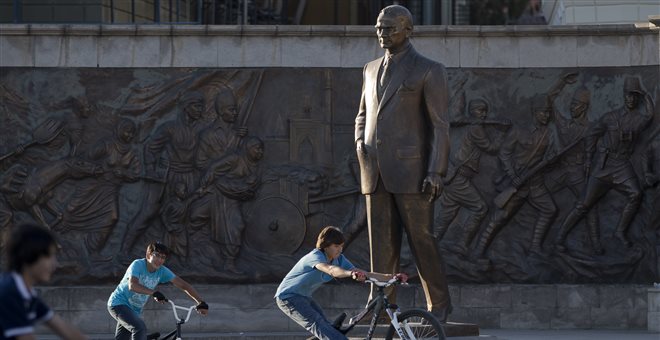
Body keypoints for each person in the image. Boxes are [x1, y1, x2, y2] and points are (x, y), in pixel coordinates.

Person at [354, 5, 452, 322]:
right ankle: (381, 306)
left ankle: (438, 306)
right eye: (379, 28)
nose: (382, 34)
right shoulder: (369, 69)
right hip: (375, 171)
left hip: (413, 172)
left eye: (389, 28)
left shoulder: (428, 69)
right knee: (380, 245)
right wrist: (360, 145)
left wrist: (436, 171)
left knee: (422, 240)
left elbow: (439, 125)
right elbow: (363, 115)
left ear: (407, 29)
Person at [555, 77, 654, 250]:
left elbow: (650, 115)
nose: (631, 99)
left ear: (638, 98)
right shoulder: (610, 117)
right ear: (623, 96)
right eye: (628, 95)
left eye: (634, 96)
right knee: (583, 205)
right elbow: (592, 135)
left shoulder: (639, 119)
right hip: (603, 165)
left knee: (636, 194)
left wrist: (646, 95)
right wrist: (588, 158)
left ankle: (620, 232)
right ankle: (559, 238)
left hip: (622, 165)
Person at [275, 226, 407, 340]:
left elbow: (365, 273)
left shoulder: (339, 259)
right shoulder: (315, 256)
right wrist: (350, 274)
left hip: (304, 297)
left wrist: (392, 276)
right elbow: (331, 270)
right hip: (288, 297)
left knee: (326, 329)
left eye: (342, 246)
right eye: (336, 246)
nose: (340, 250)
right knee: (318, 324)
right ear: (325, 246)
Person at [473, 94, 560, 259]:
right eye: (543, 112)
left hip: (535, 182)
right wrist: (512, 175)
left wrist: (551, 161)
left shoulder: (548, 134)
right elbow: (504, 153)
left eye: (549, 112)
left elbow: (550, 159)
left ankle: (535, 247)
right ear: (535, 112)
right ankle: (479, 250)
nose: (547, 116)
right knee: (500, 217)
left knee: (550, 209)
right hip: (517, 181)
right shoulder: (519, 130)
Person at [0, 224, 87, 339]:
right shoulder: (9, 292)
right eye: (49, 256)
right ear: (29, 254)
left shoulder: (26, 293)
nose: (55, 265)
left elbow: (62, 327)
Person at [107, 242, 208, 340]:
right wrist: (153, 293)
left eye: (163, 257)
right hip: (118, 303)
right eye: (157, 255)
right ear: (148, 255)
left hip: (134, 310)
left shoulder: (162, 271)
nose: (159, 260)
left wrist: (200, 302)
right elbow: (132, 285)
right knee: (139, 327)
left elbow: (183, 285)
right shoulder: (137, 264)